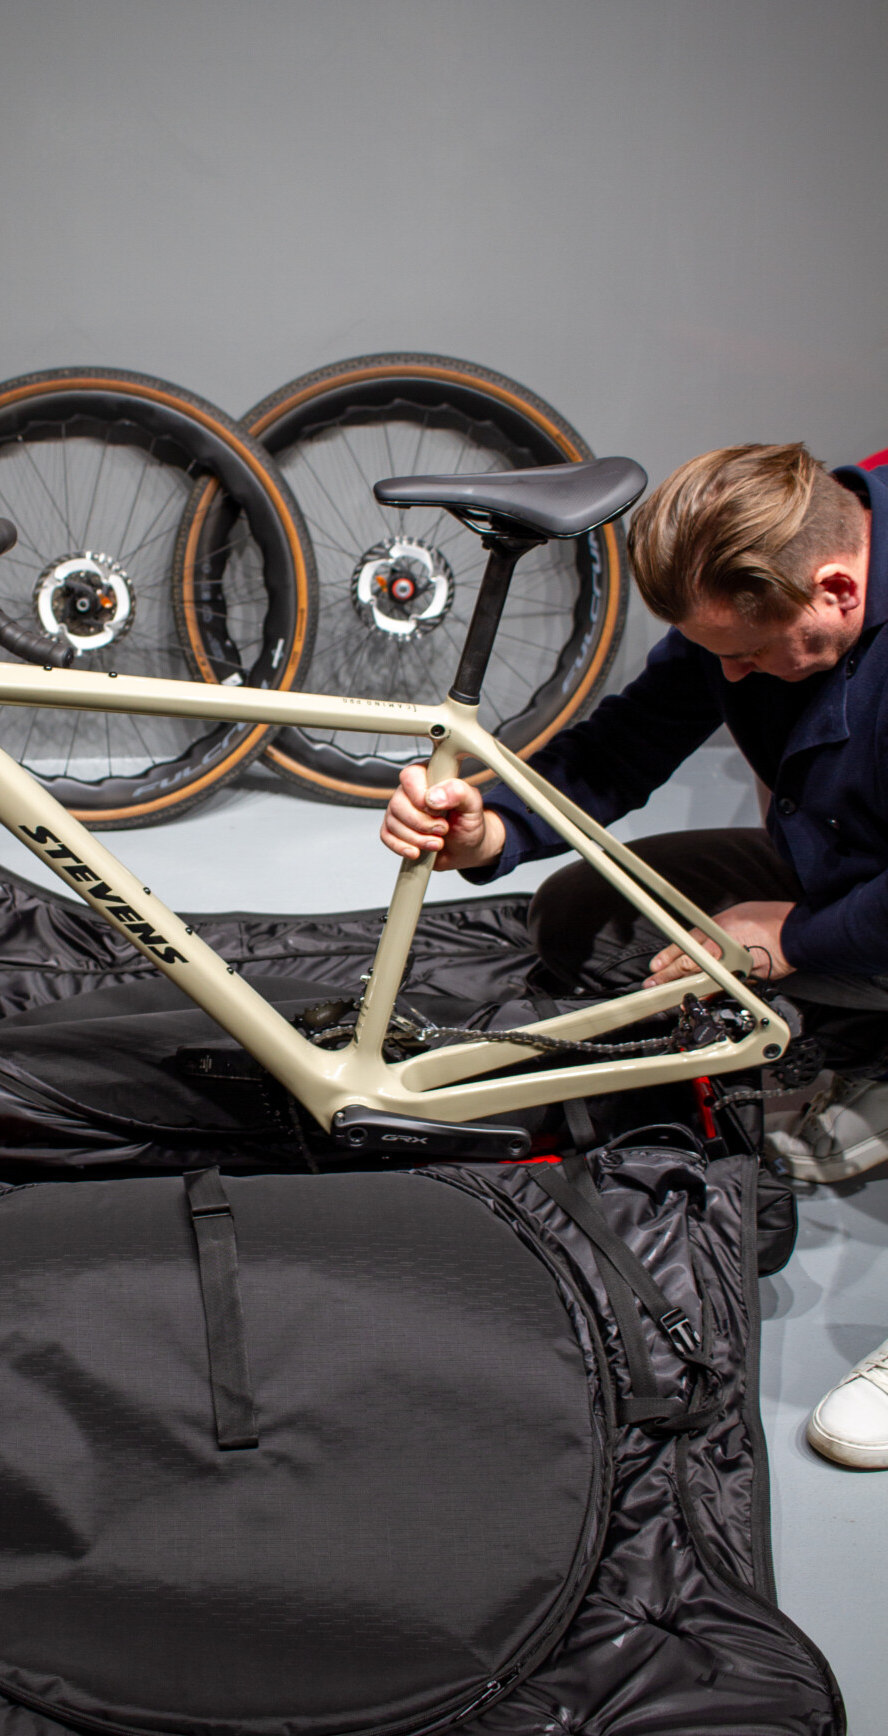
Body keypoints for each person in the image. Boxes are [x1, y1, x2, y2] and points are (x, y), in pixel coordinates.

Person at [380, 442, 888, 1469]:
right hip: (842, 857)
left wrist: (788, 940)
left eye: (748, 655)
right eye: (713, 655)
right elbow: (620, 747)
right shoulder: (770, 567)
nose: (729, 677)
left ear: (838, 589)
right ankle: (862, 1058)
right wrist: (489, 829)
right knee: (582, 916)